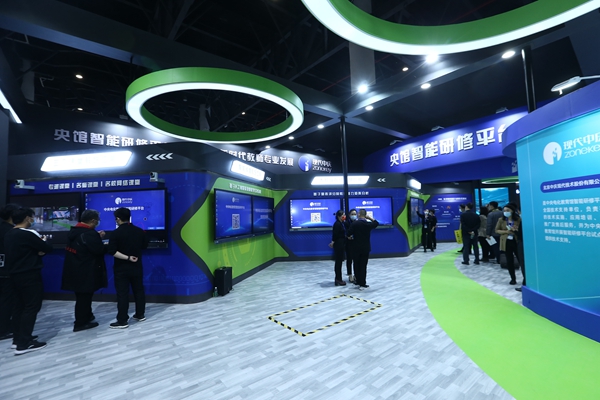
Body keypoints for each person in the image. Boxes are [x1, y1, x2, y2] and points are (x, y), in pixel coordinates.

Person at [4, 207, 53, 355]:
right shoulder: (27, 234)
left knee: (19, 307)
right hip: (29, 275)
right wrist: (41, 247)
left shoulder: (9, 234)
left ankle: (17, 339)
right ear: (27, 218)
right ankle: (24, 343)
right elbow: (46, 248)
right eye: (32, 217)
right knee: (31, 307)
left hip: (14, 275)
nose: (33, 220)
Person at [61, 209, 108, 332]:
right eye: (97, 220)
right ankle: (80, 323)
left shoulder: (74, 231)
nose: (98, 222)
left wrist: (96, 237)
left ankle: (87, 316)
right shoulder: (89, 234)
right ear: (92, 220)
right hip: (87, 271)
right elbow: (98, 250)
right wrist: (100, 240)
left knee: (82, 297)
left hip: (75, 270)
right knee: (84, 298)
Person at [107, 207, 149, 329]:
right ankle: (140, 314)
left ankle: (122, 321)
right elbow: (144, 246)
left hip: (121, 268)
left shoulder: (115, 233)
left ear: (118, 219)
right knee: (139, 290)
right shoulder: (139, 231)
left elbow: (112, 251)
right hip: (137, 266)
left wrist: (127, 257)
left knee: (122, 294)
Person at [0, 204, 19, 341]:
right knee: (7, 300)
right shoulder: (11, 232)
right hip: (8, 270)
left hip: (3, 269)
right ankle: (3, 329)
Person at [347, 209, 379, 289]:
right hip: (365, 248)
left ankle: (357, 280)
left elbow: (348, 233)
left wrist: (350, 237)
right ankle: (363, 282)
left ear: (358, 214)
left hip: (356, 248)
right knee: (363, 266)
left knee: (356, 264)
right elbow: (376, 223)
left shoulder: (354, 224)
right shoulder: (367, 224)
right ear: (365, 215)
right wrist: (370, 218)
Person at [495, 203, 523, 285]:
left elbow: (522, 230)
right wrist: (506, 231)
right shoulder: (501, 219)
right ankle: (513, 278)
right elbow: (497, 230)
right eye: (504, 211)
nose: (505, 212)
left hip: (516, 241)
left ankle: (525, 278)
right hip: (506, 242)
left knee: (521, 260)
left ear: (512, 211)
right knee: (509, 261)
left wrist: (515, 230)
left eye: (508, 210)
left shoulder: (518, 219)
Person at [328, 210, 347, 286]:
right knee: (338, 262)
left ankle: (339, 278)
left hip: (341, 244)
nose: (344, 216)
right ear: (339, 216)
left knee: (340, 262)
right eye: (343, 215)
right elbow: (335, 235)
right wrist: (332, 242)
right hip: (338, 245)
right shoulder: (337, 224)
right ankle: (338, 279)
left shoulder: (341, 223)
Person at [344, 209, 357, 283]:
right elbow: (345, 232)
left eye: (355, 214)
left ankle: (356, 275)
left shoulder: (358, 222)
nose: (353, 215)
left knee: (356, 260)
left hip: (356, 243)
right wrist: (348, 236)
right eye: (352, 214)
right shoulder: (346, 223)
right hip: (348, 243)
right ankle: (350, 275)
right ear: (349, 215)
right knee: (349, 260)